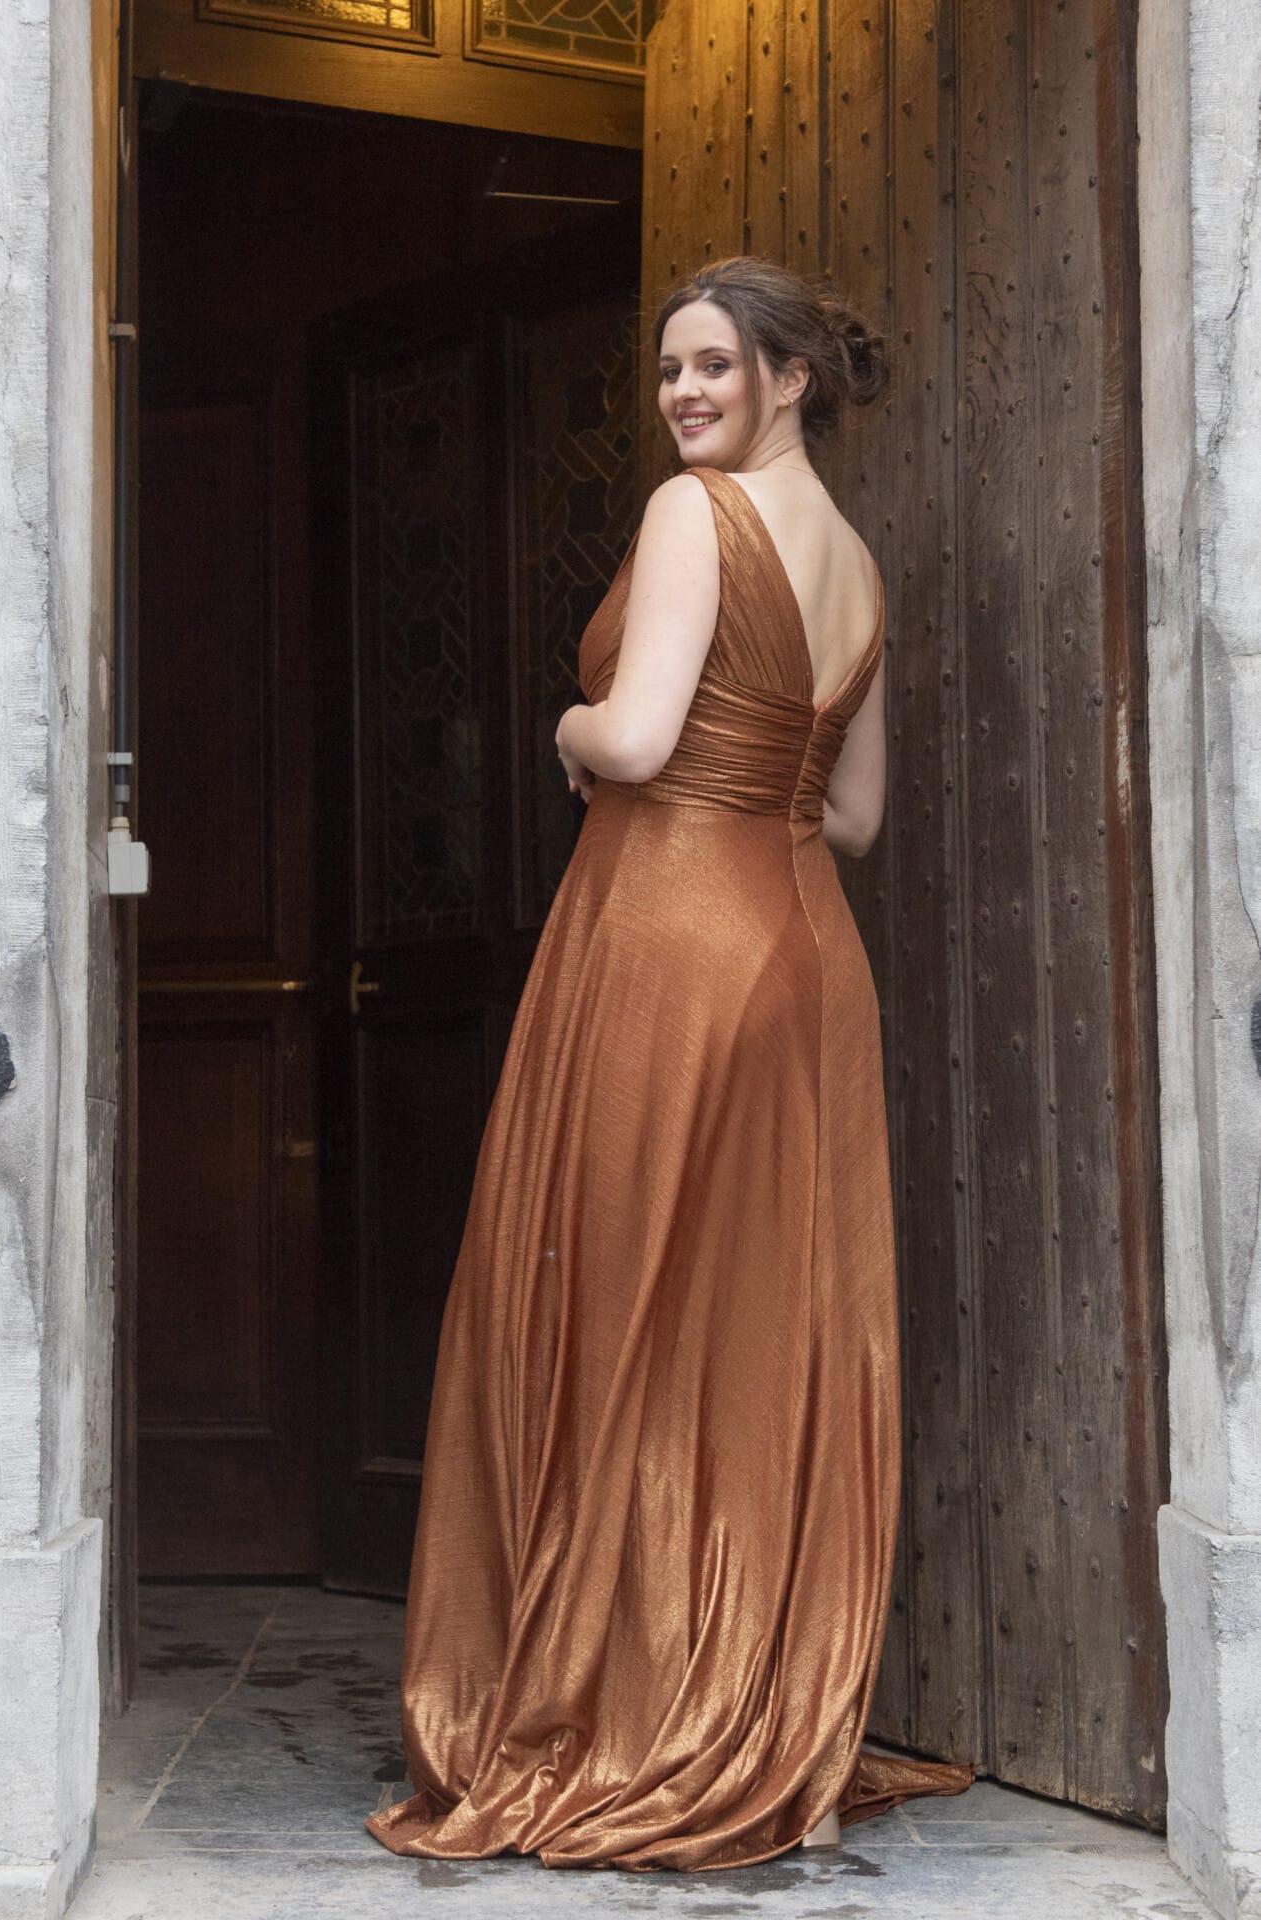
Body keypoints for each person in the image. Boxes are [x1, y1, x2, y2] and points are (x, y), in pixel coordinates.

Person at [365, 255, 974, 1872]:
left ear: (790, 378)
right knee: (758, 1324)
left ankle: (624, 1700)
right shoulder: (854, 562)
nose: (682, 394)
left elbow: (633, 738)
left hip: (669, 934)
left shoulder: (693, 516)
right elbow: (854, 818)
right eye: (667, 372)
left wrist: (566, 734)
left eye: (712, 365)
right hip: (802, 953)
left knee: (620, 1299)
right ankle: (751, 1702)